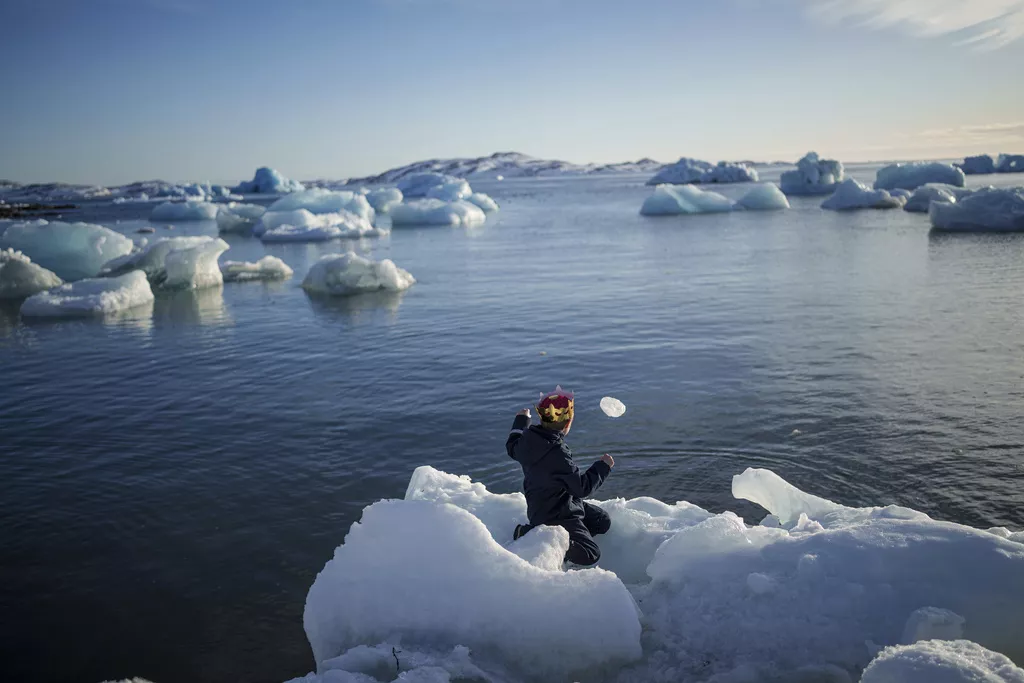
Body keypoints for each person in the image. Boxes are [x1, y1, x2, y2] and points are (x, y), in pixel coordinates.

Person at [505, 386, 615, 566]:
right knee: (591, 554)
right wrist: (603, 467)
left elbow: (512, 446)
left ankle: (571, 539)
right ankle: (536, 536)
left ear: (541, 417)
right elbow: (582, 488)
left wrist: (521, 420)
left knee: (602, 521)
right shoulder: (558, 454)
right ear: (568, 422)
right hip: (555, 514)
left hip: (554, 503)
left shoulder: (527, 440)